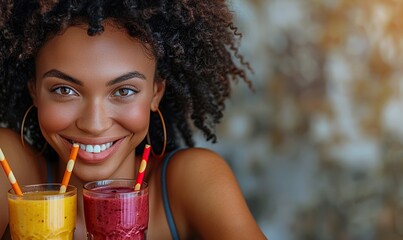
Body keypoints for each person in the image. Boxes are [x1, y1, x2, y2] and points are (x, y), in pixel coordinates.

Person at [0, 0, 267, 239]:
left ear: (155, 93)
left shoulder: (191, 181)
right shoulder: (10, 167)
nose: (94, 124)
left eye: (123, 91)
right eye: (64, 90)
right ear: (34, 91)